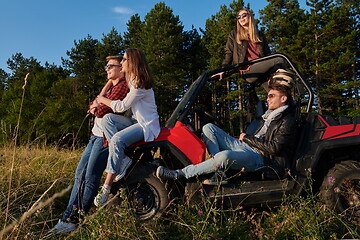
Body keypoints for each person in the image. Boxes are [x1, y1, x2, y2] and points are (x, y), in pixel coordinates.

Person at [48, 55, 130, 234]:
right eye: (105, 65)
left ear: (121, 69)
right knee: (80, 174)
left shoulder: (123, 87)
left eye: (110, 66)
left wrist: (96, 105)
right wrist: (99, 99)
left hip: (105, 139)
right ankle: (66, 218)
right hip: (95, 136)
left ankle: (73, 220)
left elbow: (102, 110)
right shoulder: (110, 88)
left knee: (91, 177)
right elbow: (93, 104)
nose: (106, 68)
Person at [156, 83, 297, 184]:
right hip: (246, 147)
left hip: (260, 158)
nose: (267, 99)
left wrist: (247, 138)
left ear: (283, 99)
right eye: (267, 96)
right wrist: (246, 139)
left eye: (272, 96)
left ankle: (179, 173)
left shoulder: (287, 120)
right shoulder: (268, 116)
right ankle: (219, 172)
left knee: (224, 156)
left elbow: (274, 148)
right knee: (208, 127)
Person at [94, 48, 160, 207]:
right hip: (134, 121)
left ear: (133, 62)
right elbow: (113, 79)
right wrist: (108, 83)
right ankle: (123, 159)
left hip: (146, 125)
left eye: (124, 59)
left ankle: (106, 188)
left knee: (116, 139)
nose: (121, 62)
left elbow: (120, 106)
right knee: (107, 119)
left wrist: (101, 99)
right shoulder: (132, 78)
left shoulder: (139, 83)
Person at [214, 8, 284, 85]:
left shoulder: (259, 35)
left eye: (244, 15)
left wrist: (271, 73)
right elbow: (229, 53)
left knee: (278, 90)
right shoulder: (234, 34)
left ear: (250, 17)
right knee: (279, 59)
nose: (241, 18)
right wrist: (223, 69)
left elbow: (267, 54)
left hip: (263, 68)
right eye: (239, 17)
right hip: (248, 70)